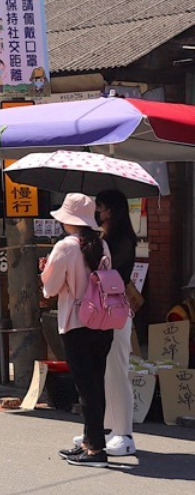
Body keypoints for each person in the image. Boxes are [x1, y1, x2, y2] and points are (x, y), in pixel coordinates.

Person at [42, 193, 115, 468]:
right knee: (95, 383)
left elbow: (50, 288)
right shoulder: (102, 245)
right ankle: (89, 442)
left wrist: (46, 270)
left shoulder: (66, 246)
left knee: (86, 387)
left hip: (76, 322)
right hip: (102, 322)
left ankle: (96, 449)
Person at [83, 189, 138, 456]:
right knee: (103, 371)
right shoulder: (105, 237)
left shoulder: (123, 240)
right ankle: (105, 428)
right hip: (103, 310)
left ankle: (124, 432)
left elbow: (110, 272)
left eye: (100, 207)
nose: (97, 212)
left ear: (111, 211)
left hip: (115, 310)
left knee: (117, 369)